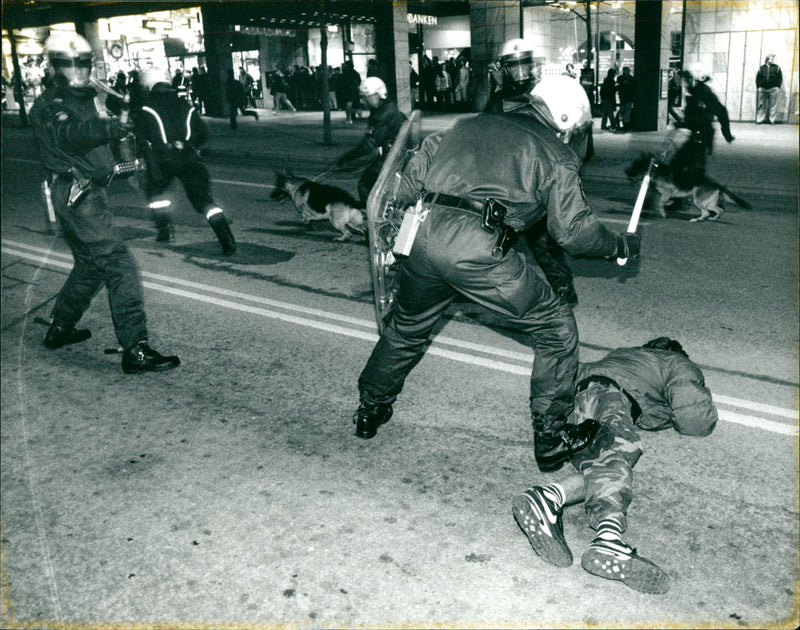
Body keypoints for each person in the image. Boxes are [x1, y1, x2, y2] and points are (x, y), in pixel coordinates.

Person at [352, 74, 641, 472]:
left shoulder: (466, 125)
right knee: (556, 330)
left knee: (407, 328)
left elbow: (408, 178)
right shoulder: (555, 155)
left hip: (421, 236)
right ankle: (553, 436)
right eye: (574, 129)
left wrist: (394, 234)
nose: (573, 136)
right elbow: (572, 232)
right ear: (563, 117)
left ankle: (370, 409)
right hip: (478, 250)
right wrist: (619, 246)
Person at [512, 337, 717, 594]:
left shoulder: (622, 355)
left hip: (572, 403)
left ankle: (551, 500)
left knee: (600, 465)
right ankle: (606, 537)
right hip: (609, 396)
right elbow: (694, 420)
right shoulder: (676, 362)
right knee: (618, 452)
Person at [30, 33, 180, 374]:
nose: (77, 69)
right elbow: (72, 135)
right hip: (77, 194)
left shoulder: (89, 95)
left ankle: (59, 328)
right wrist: (112, 126)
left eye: (82, 62)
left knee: (89, 265)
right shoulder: (52, 103)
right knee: (119, 265)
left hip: (84, 192)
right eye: (68, 63)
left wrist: (124, 152)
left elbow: (105, 138)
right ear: (54, 66)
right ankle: (135, 349)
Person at [135, 67, 236, 255]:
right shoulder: (185, 105)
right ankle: (226, 238)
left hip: (162, 159)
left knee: (156, 194)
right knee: (203, 200)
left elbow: (139, 136)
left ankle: (164, 230)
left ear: (149, 86)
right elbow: (202, 133)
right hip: (189, 157)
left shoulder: (146, 107)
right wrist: (188, 143)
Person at [335, 76, 406, 205]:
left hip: (392, 157)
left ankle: (370, 215)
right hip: (395, 153)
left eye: (366, 97)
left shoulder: (383, 114)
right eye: (362, 97)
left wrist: (348, 158)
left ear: (379, 95)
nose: (363, 101)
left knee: (365, 184)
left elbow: (370, 144)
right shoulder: (385, 108)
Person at [671, 65, 734, 191]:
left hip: (702, 137)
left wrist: (727, 134)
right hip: (698, 136)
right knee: (684, 164)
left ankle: (684, 196)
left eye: (684, 81)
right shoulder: (695, 93)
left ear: (690, 80)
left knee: (685, 165)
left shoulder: (702, 94)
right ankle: (683, 194)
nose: (683, 85)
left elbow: (717, 113)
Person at [755, 54, 782, 124]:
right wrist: (758, 87)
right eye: (771, 59)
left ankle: (772, 120)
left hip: (773, 89)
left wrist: (778, 87)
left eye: (773, 59)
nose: (773, 60)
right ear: (767, 60)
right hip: (762, 89)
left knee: (773, 105)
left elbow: (780, 78)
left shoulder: (777, 68)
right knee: (761, 105)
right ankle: (759, 120)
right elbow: (757, 78)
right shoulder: (761, 68)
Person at [615, 66, 634, 132]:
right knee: (624, 112)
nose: (625, 72)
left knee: (626, 113)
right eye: (624, 71)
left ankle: (626, 126)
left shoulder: (630, 78)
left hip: (627, 98)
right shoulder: (621, 78)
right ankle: (625, 125)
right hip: (623, 98)